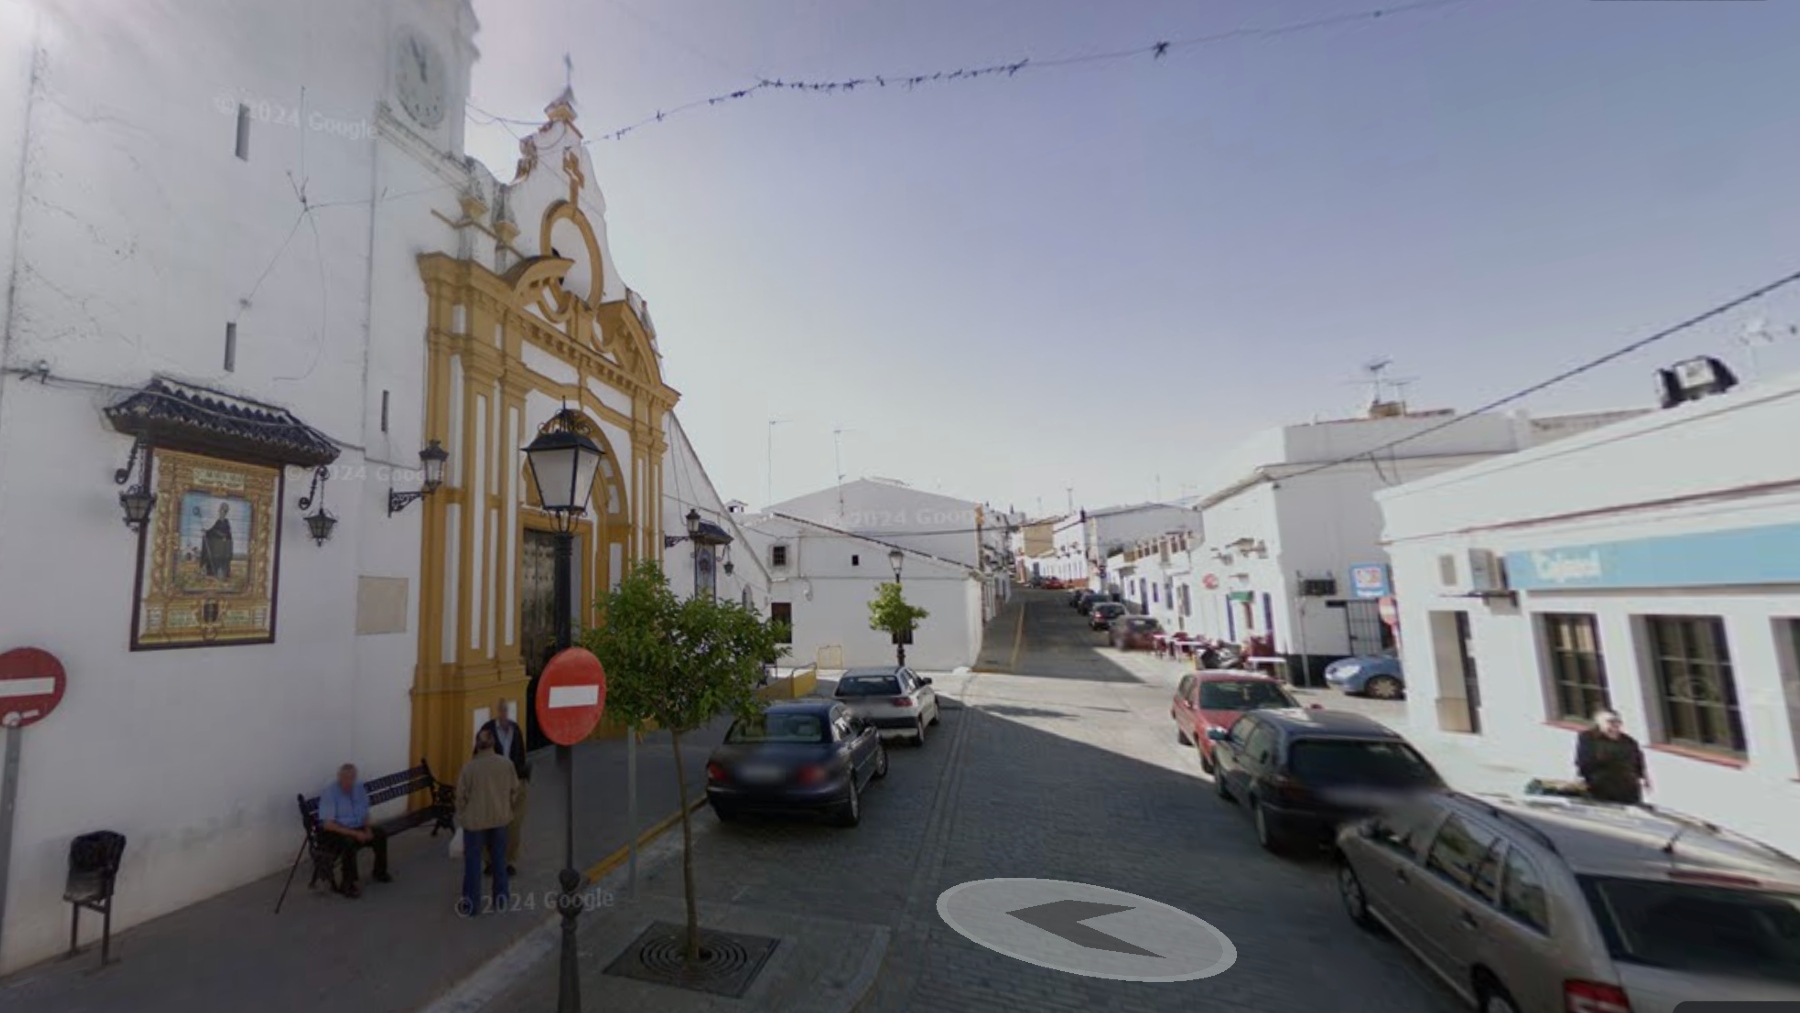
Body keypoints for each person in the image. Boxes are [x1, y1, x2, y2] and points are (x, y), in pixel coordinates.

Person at [456, 727, 520, 916]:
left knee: (473, 864)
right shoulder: (506, 764)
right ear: (493, 744)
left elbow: (460, 796)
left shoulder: (469, 768)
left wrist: (462, 815)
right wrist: (505, 806)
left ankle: (471, 905)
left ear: (477, 744)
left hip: (475, 822)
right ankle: (501, 900)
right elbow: (514, 790)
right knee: (500, 860)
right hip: (500, 819)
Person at [318, 763, 391, 898]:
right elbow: (328, 825)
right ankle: (348, 883)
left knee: (380, 834)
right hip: (336, 831)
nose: (349, 782)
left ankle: (379, 872)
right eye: (346, 779)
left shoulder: (359, 788)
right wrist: (355, 833)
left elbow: (365, 813)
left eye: (352, 778)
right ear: (339, 777)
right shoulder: (330, 793)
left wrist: (367, 829)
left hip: (358, 826)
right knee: (349, 843)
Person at [477, 699, 531, 876]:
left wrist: (520, 780)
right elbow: (478, 756)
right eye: (501, 710)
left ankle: (509, 861)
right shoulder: (487, 730)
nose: (503, 713)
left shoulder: (515, 730)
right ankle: (490, 861)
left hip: (514, 783)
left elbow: (521, 755)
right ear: (496, 711)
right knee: (490, 823)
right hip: (493, 785)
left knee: (513, 825)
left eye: (506, 710)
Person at [1575, 709, 1651, 805]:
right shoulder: (1589, 738)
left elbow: (1638, 762)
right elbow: (1584, 762)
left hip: (1627, 790)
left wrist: (1644, 778)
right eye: (1610, 722)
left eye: (1618, 722)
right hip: (1599, 789)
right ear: (1599, 723)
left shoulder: (1629, 741)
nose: (1615, 725)